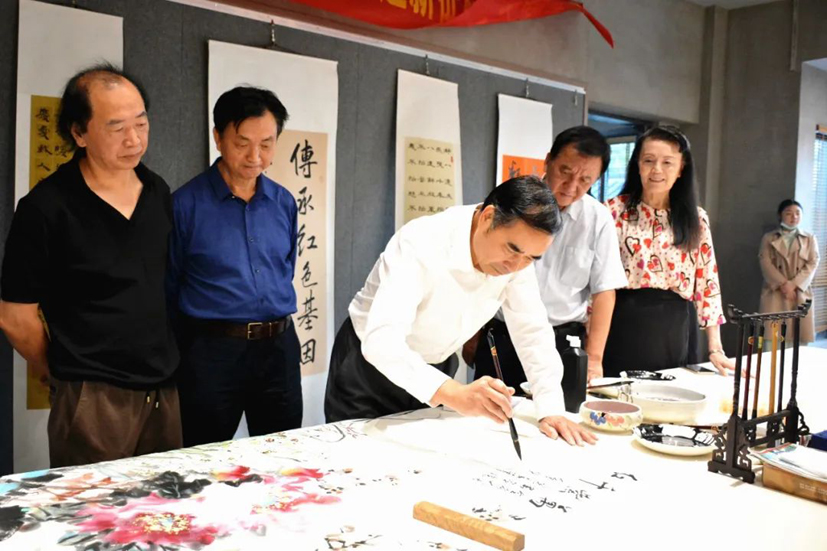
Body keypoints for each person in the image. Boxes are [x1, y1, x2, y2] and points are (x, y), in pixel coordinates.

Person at [325, 176, 598, 446]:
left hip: (434, 368)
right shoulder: (421, 241)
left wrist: (550, 408)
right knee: (355, 460)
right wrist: (454, 393)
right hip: (368, 370)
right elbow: (382, 342)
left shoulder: (517, 260)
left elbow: (532, 331)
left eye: (531, 258)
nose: (515, 265)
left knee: (417, 461)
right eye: (512, 249)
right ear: (488, 217)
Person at [0, 64, 181, 467]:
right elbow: (15, 317)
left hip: (162, 388)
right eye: (117, 128)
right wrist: (62, 372)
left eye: (141, 123)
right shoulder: (46, 208)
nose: (134, 139)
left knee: (165, 502)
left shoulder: (157, 191)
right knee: (97, 505)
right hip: (93, 396)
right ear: (79, 134)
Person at [167, 87, 302, 447]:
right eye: (242, 143)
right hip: (212, 352)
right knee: (202, 457)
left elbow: (285, 269)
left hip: (278, 349)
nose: (255, 157)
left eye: (266, 144)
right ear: (218, 138)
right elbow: (170, 286)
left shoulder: (283, 202)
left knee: (284, 456)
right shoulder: (185, 205)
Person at [469, 126, 627, 390]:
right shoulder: (513, 202)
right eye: (565, 172)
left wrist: (595, 359)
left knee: (557, 411)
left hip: (563, 341)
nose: (572, 186)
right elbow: (480, 269)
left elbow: (604, 291)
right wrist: (471, 334)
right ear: (548, 160)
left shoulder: (598, 219)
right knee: (490, 408)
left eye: (585, 180)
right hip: (504, 335)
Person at [602, 126, 735, 376]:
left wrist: (715, 348)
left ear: (681, 168)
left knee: (672, 394)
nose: (657, 170)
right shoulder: (613, 212)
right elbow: (597, 279)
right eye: (648, 161)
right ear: (637, 164)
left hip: (676, 326)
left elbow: (707, 282)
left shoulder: (695, 218)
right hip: (621, 321)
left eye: (667, 162)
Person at [759, 199, 819, 343]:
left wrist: (794, 284)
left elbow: (813, 262)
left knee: (799, 337)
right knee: (773, 337)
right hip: (776, 291)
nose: (794, 217)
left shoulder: (809, 238)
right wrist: (783, 284)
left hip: (799, 291)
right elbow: (765, 262)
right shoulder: (769, 238)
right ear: (780, 215)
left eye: (798, 213)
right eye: (789, 213)